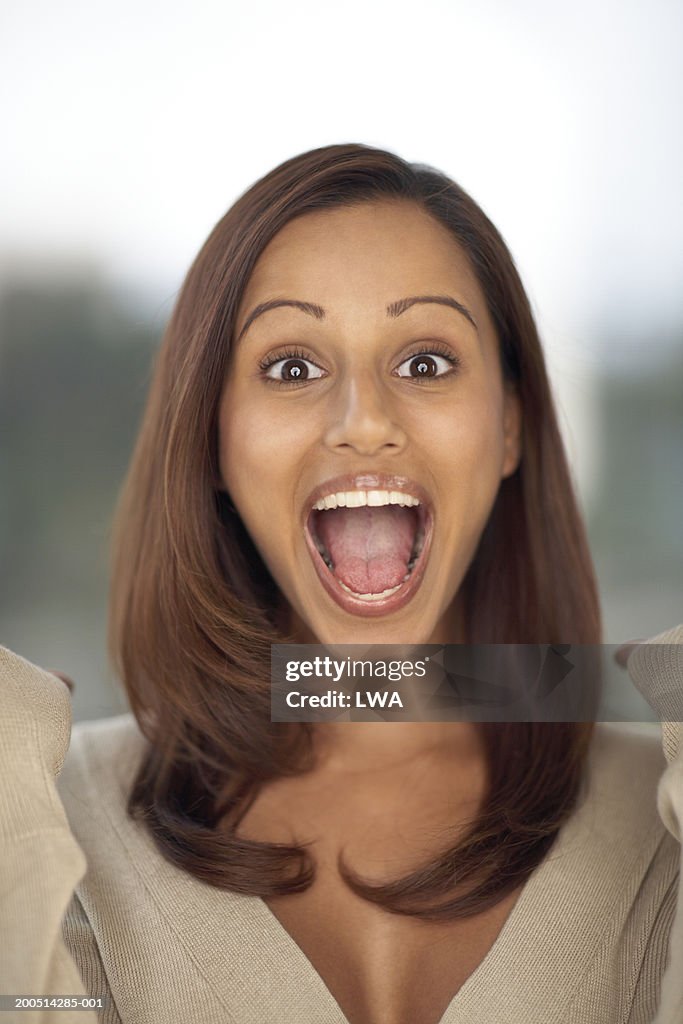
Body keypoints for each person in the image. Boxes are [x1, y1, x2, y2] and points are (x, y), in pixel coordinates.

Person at [0, 143, 681, 1024]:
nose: (363, 423)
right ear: (211, 439)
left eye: (424, 363)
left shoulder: (662, 819)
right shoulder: (48, 821)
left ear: (509, 427)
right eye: (292, 367)